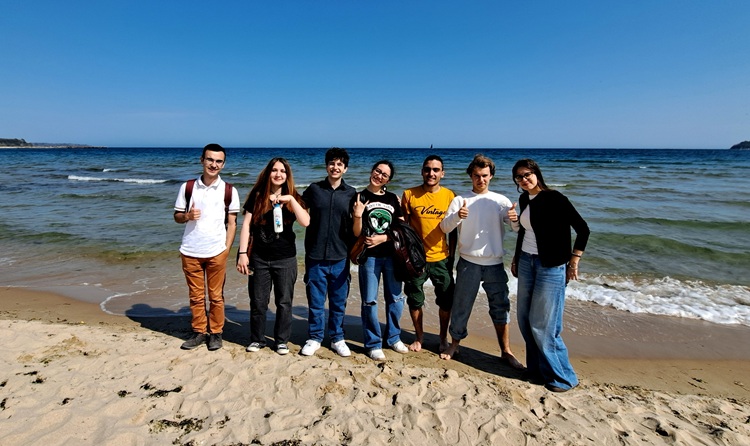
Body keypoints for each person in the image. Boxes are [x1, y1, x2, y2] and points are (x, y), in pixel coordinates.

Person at [510, 159, 589, 392]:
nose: (524, 179)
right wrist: (516, 258)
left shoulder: (555, 198)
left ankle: (564, 378)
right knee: (525, 319)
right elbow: (524, 232)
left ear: (536, 173)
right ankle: (536, 370)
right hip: (526, 262)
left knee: (544, 324)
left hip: (551, 266)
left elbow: (583, 229)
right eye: (519, 177)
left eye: (527, 174)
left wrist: (574, 260)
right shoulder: (525, 199)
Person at [438, 154, 524, 369]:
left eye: (485, 175)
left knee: (501, 307)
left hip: (495, 263)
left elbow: (516, 229)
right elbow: (444, 227)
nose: (481, 179)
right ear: (471, 175)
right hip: (468, 262)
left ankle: (506, 351)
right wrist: (458, 216)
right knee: (461, 306)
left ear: (491, 176)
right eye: (477, 175)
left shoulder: (500, 201)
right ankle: (454, 345)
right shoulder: (460, 200)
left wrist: (515, 220)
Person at [236, 158, 309, 355]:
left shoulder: (294, 197)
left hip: (285, 258)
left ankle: (281, 341)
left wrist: (290, 199)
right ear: (268, 173)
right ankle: (257, 339)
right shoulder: (258, 196)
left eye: (282, 171)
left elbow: (306, 222)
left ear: (287, 175)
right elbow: (246, 226)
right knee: (258, 302)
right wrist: (242, 254)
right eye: (274, 170)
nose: (278, 174)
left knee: (284, 302)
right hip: (259, 258)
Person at [173, 143, 240, 351]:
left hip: (216, 251)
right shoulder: (187, 187)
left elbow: (232, 223)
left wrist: (226, 250)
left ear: (223, 164)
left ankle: (216, 333)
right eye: (210, 159)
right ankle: (199, 332)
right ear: (202, 160)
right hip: (190, 250)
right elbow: (177, 216)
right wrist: (187, 216)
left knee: (216, 296)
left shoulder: (229, 191)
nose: (214, 164)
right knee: (196, 296)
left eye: (218, 161)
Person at [299, 148, 357, 357]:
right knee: (315, 302)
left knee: (338, 302)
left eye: (340, 164)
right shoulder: (314, 189)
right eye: (332, 163)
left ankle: (337, 338)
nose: (335, 167)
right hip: (315, 255)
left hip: (341, 256)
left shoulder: (351, 193)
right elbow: (298, 209)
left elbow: (358, 221)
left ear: (345, 169)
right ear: (326, 166)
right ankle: (315, 337)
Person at [352, 160, 408, 360]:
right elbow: (356, 233)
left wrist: (384, 238)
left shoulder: (392, 198)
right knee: (370, 300)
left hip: (392, 255)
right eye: (378, 171)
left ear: (388, 180)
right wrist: (357, 215)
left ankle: (393, 337)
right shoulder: (359, 196)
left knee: (396, 298)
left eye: (385, 175)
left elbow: (401, 228)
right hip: (369, 258)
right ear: (372, 171)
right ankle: (373, 343)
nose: (379, 176)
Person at [401, 155, 457, 353]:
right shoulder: (409, 194)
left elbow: (453, 230)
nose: (431, 173)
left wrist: (452, 257)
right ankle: (419, 337)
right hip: (416, 260)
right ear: (422, 171)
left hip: (441, 258)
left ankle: (443, 338)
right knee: (415, 300)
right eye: (427, 169)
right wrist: (406, 256)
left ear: (443, 173)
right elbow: (404, 228)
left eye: (435, 170)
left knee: (446, 301)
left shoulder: (450, 196)